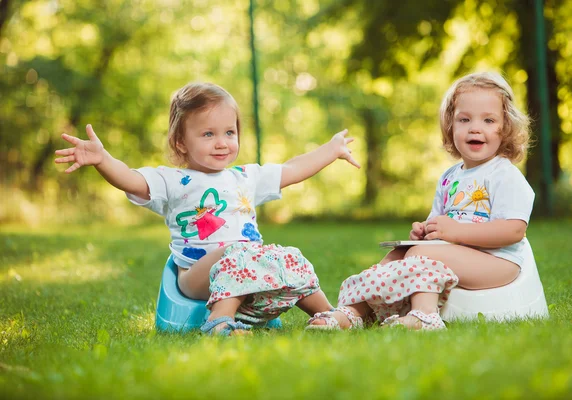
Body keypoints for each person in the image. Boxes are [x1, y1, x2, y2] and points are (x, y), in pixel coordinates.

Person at [55, 82, 360, 336]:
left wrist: (330, 149)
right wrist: (103, 159)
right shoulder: (172, 180)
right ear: (181, 142)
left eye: (229, 132)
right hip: (197, 278)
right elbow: (131, 180)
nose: (221, 143)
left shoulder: (245, 176)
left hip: (249, 272)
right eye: (208, 134)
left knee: (290, 256)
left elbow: (292, 168)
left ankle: (329, 315)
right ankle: (219, 323)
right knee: (236, 251)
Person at [307, 71, 534, 331]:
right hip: (458, 253)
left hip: (498, 262)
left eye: (489, 120)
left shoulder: (504, 174)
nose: (475, 127)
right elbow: (439, 224)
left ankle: (425, 316)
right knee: (398, 254)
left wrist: (456, 233)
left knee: (420, 254)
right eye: (464, 119)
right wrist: (425, 230)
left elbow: (514, 231)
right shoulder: (450, 177)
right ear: (450, 125)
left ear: (505, 128)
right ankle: (354, 312)